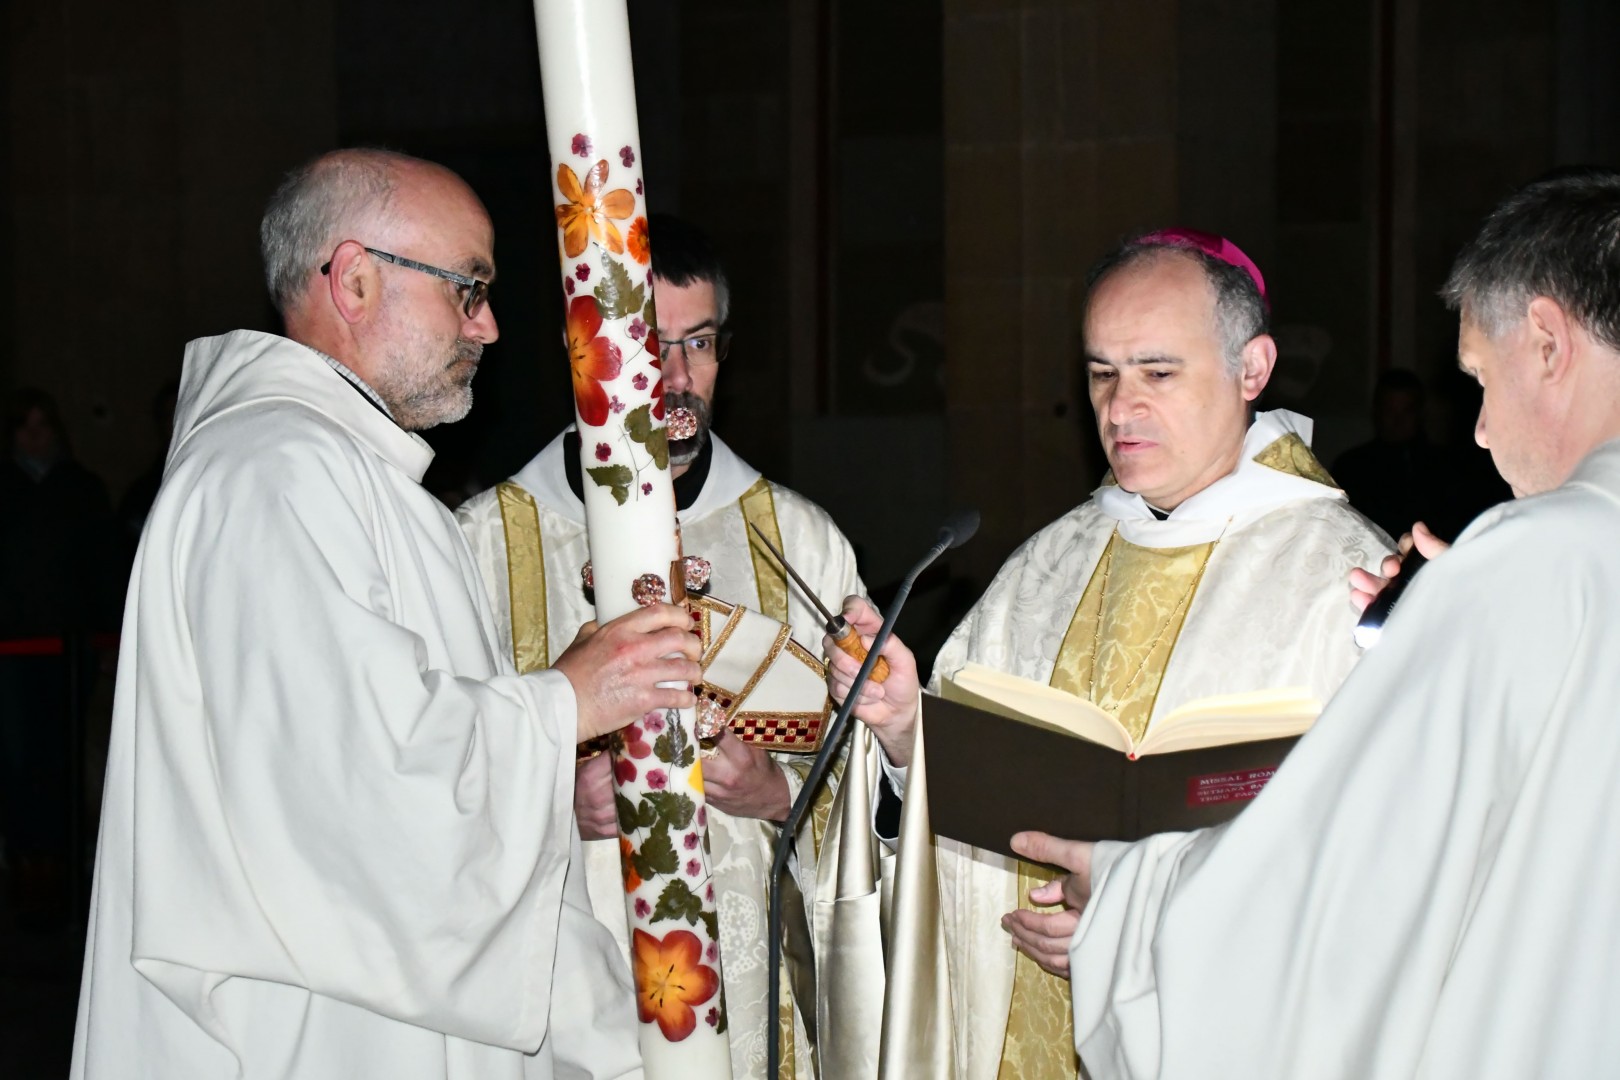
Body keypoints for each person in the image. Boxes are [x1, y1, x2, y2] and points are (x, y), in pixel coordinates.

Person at [71, 148, 700, 1079]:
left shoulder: (342, 475)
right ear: (356, 280)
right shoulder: (273, 476)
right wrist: (567, 701)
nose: (488, 326)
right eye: (468, 288)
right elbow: (360, 790)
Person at [1020, 167, 1620, 1079]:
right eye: (1103, 373)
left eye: (1479, 381)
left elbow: (1353, 876)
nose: (1481, 432)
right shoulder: (1538, 566)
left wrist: (1131, 888)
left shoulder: (1531, 555)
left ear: (1546, 341)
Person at [829, 228, 1393, 1078]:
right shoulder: (1049, 563)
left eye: (1157, 373)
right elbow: (968, 812)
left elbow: (1379, 860)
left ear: (1252, 368)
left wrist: (1133, 925)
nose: (1120, 409)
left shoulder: (1344, 578)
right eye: (1102, 375)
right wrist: (910, 732)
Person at [457, 213, 866, 1077]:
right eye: (647, 345)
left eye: (699, 344)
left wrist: (779, 796)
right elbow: (426, 772)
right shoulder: (482, 546)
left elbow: (874, 777)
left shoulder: (798, 544)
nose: (675, 378)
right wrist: (549, 801)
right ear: (583, 352)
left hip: (749, 995)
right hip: (560, 999)